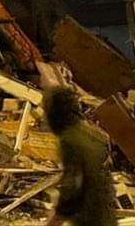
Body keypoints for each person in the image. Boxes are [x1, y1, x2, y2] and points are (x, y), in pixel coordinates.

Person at [44, 87, 117, 226]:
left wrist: (58, 217)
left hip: (88, 217)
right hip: (104, 212)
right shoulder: (92, 133)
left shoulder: (70, 140)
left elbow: (73, 185)